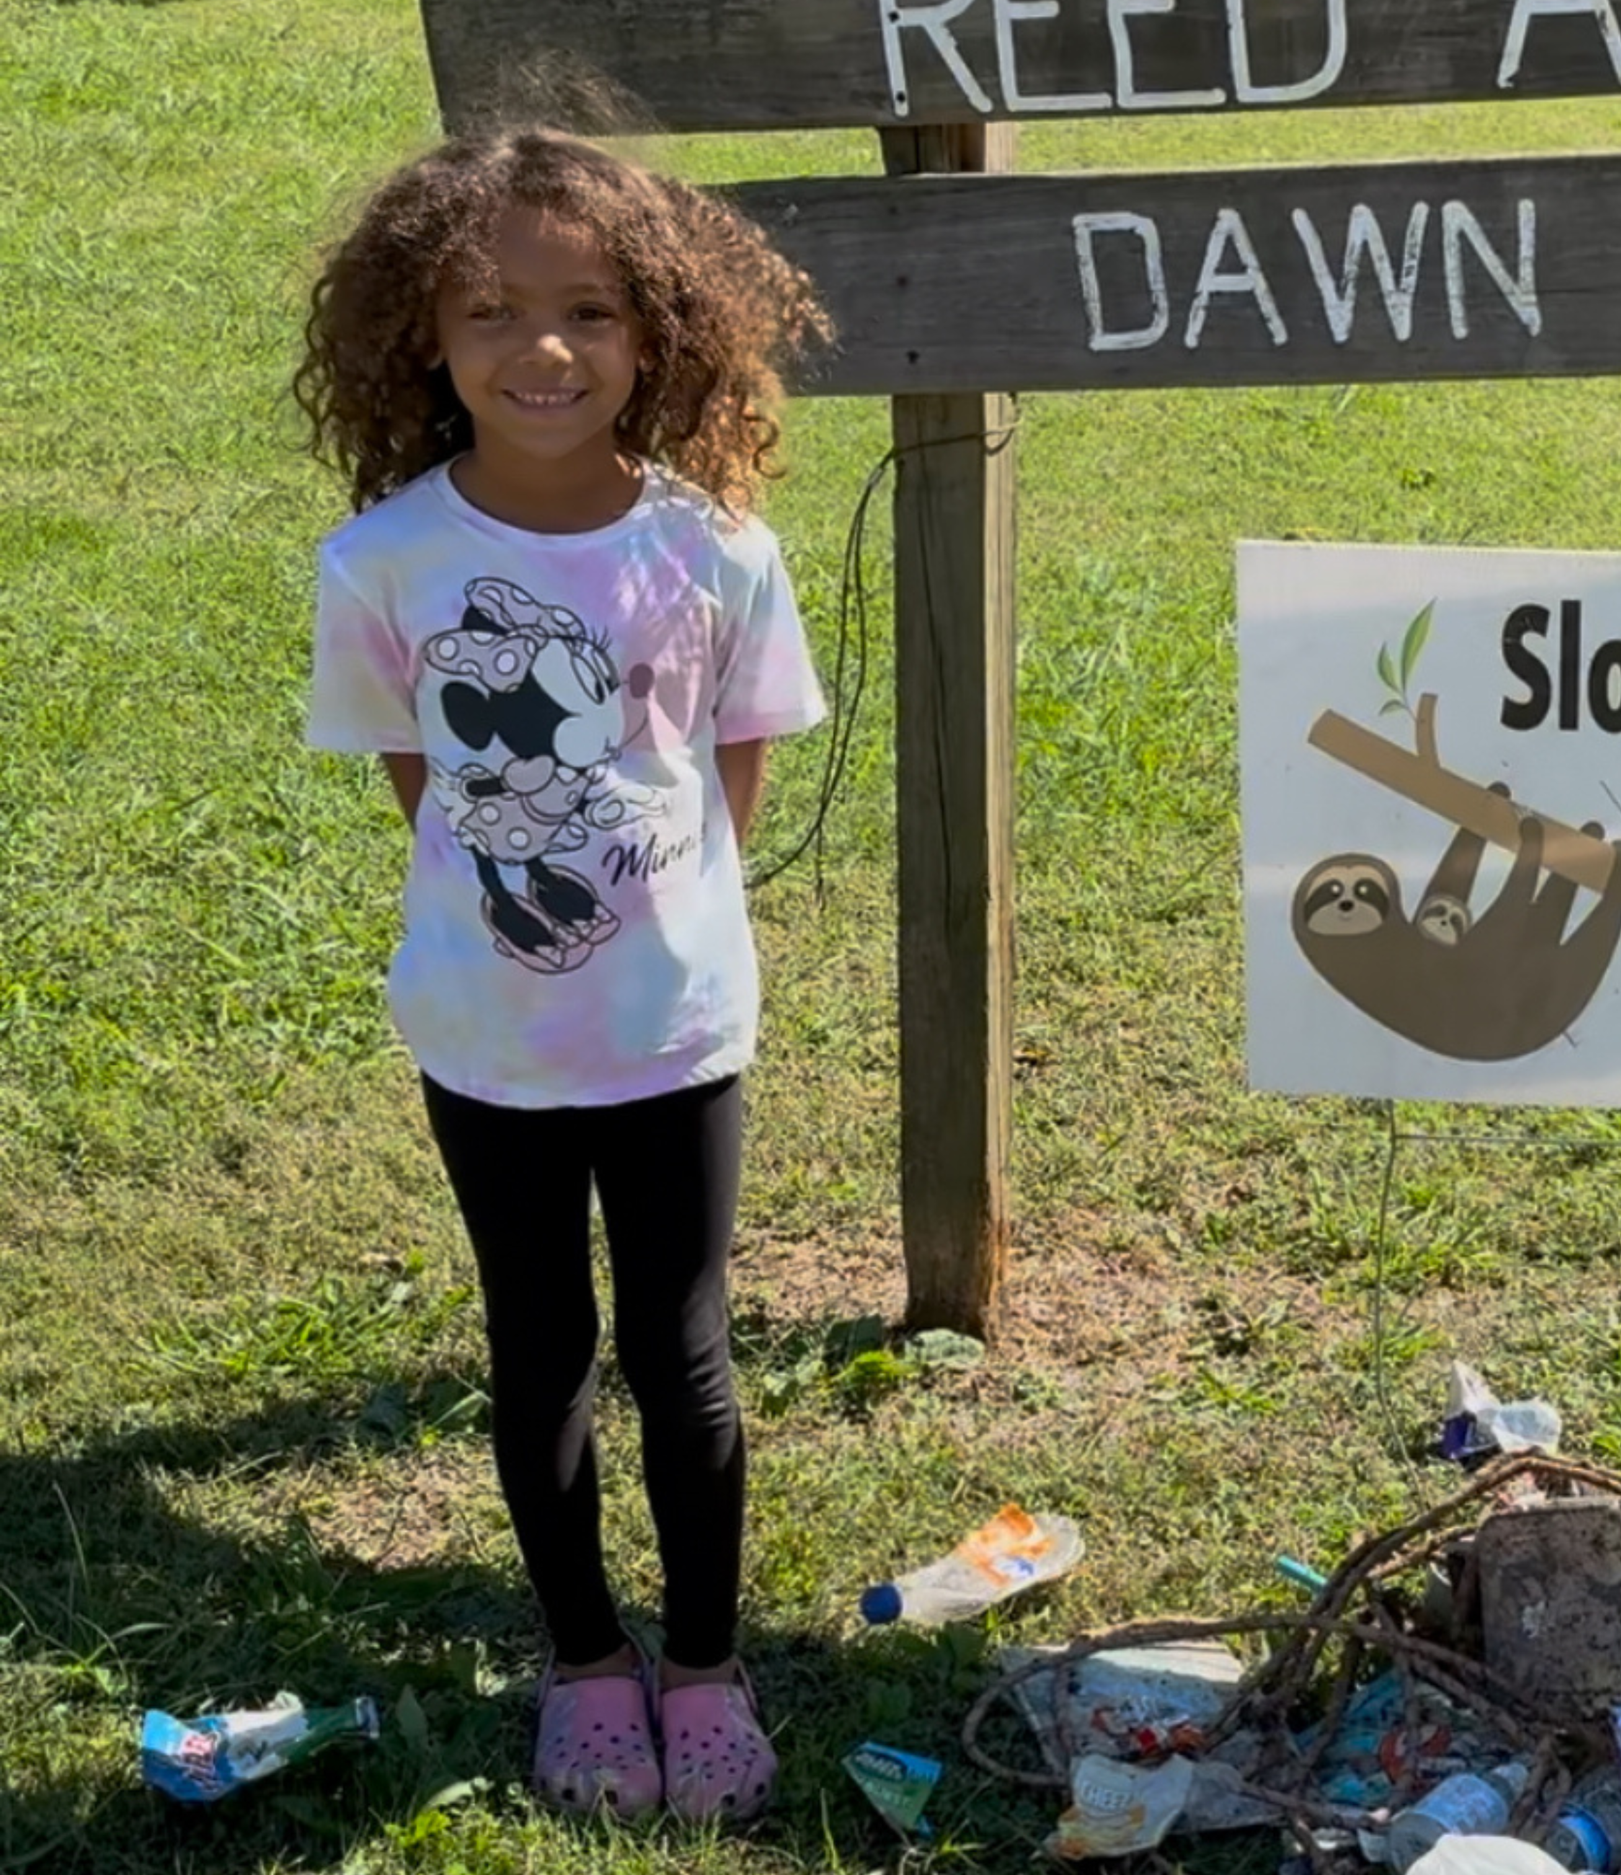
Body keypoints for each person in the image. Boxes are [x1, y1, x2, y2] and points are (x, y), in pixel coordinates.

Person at [294, 125, 832, 1823]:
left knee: (683, 1354)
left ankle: (705, 1661)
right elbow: (424, 782)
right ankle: (587, 1660)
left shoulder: (718, 548)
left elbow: (723, 774)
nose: (543, 350)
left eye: (590, 310)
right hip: (489, 1032)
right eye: (492, 311)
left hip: (675, 1028)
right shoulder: (381, 565)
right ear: (423, 341)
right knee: (539, 1344)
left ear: (657, 332)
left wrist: (659, 917)